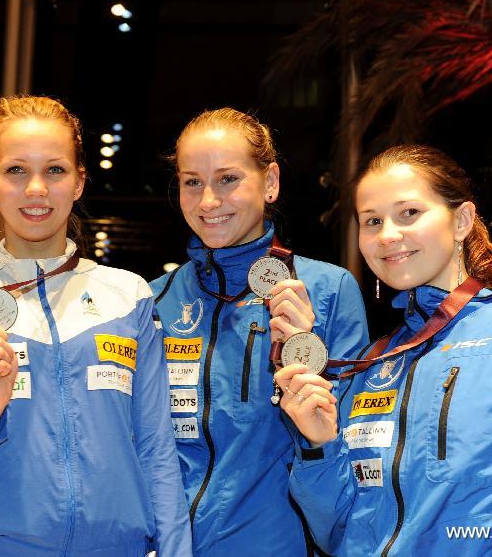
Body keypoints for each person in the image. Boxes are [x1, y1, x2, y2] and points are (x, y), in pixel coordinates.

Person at [0, 95, 191, 557]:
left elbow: (158, 451)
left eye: (55, 170)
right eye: (16, 170)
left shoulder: (129, 296)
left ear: (79, 181)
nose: (36, 188)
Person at [281, 144, 492, 556]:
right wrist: (318, 446)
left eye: (409, 213)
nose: (388, 235)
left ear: (462, 220)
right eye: (372, 221)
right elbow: (340, 532)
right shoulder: (371, 365)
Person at [150, 108, 369, 555]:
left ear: (269, 182)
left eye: (228, 178)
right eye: (192, 181)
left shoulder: (327, 291)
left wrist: (307, 356)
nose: (208, 200)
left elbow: (348, 446)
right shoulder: (154, 301)